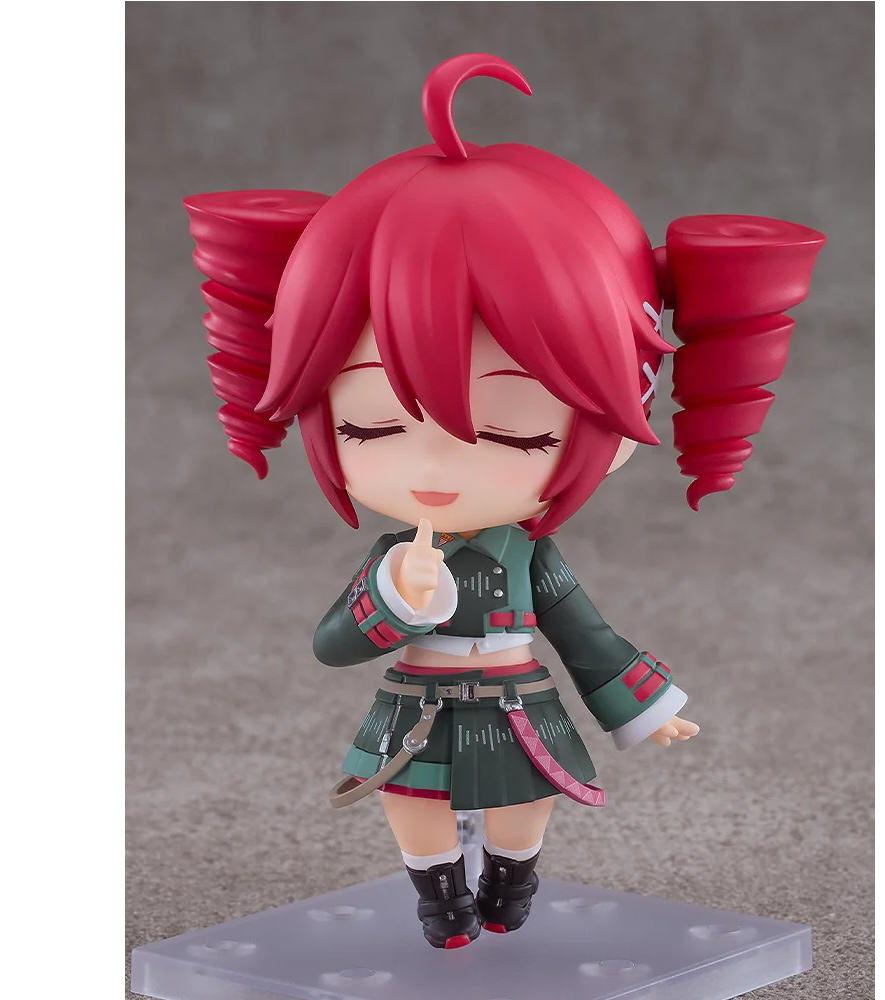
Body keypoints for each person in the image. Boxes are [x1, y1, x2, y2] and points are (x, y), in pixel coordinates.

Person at [183, 52, 825, 950]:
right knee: (412, 808)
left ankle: (513, 876)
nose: (433, 464)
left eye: (518, 436)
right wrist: (395, 597)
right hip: (414, 708)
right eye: (370, 426)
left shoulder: (530, 557)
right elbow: (333, 643)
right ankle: (439, 896)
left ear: (616, 429)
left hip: (520, 705)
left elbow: (586, 635)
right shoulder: (394, 558)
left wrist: (648, 705)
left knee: (525, 808)